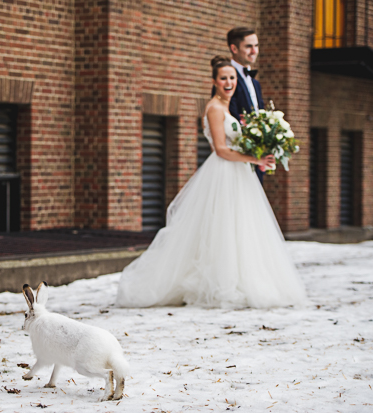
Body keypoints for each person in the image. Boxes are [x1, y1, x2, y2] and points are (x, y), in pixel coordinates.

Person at [115, 56, 306, 309]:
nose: (229, 82)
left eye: (232, 78)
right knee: (224, 228)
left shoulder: (226, 107)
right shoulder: (215, 108)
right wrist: (254, 157)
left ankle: (241, 279)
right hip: (224, 172)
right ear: (214, 81)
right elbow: (220, 150)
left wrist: (258, 156)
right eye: (223, 78)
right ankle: (222, 283)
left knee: (241, 227)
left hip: (237, 173)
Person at [227, 27, 266, 184]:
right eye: (249, 46)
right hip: (237, 161)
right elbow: (230, 119)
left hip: (256, 160)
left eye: (256, 46)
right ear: (234, 48)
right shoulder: (227, 80)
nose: (254, 51)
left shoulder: (255, 83)